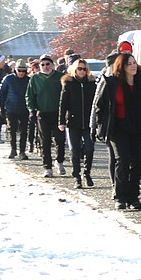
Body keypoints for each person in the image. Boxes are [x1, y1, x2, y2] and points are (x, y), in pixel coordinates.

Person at [93, 52, 141, 210]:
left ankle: (134, 197)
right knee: (123, 160)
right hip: (118, 128)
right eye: (129, 64)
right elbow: (100, 106)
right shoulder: (111, 83)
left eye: (134, 63)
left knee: (137, 164)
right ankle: (120, 196)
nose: (133, 66)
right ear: (121, 66)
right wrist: (100, 125)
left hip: (138, 129)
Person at [59, 58, 98, 188]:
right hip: (73, 122)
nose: (82, 71)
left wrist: (97, 120)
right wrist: (62, 121)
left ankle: (87, 173)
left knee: (89, 148)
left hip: (88, 122)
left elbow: (97, 103)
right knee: (74, 150)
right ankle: (76, 176)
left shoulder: (92, 83)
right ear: (74, 70)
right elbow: (63, 104)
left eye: (84, 69)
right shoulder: (69, 83)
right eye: (79, 69)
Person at [27, 53, 66, 178]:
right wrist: (32, 110)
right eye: (42, 64)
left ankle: (59, 161)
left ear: (53, 65)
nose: (45, 66)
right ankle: (47, 167)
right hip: (42, 114)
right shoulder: (35, 78)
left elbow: (67, 95)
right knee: (45, 141)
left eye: (47, 64)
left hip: (58, 114)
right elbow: (29, 96)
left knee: (60, 139)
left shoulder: (60, 77)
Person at [0, 60, 32, 160]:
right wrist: (1, 106)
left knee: (24, 131)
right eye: (19, 70)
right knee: (12, 130)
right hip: (11, 108)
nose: (21, 73)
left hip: (24, 108)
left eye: (23, 71)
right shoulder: (8, 79)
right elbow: (2, 92)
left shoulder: (29, 80)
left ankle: (22, 151)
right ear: (15, 69)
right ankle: (13, 149)